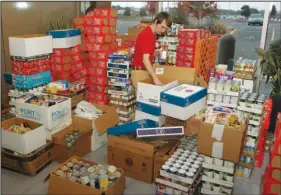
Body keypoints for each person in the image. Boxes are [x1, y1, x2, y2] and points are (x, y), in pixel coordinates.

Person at [131, 12, 172, 89]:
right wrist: (155, 78)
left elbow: (144, 54)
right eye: (162, 27)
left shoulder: (150, 33)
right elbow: (145, 60)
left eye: (165, 29)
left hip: (142, 71)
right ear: (156, 22)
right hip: (140, 72)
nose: (163, 31)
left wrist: (156, 53)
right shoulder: (148, 35)